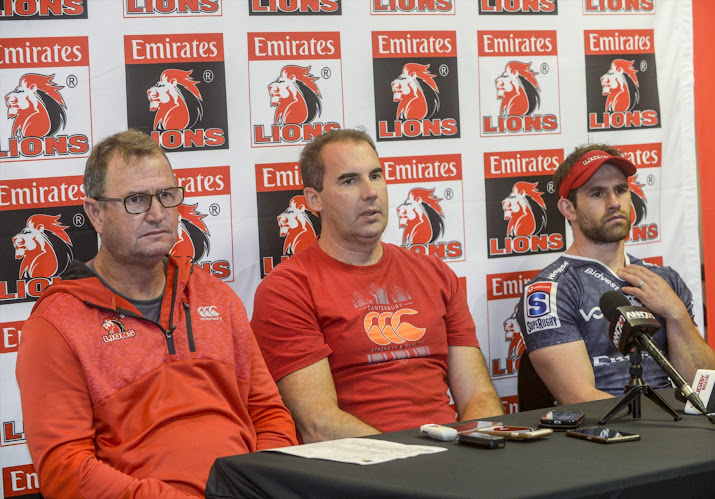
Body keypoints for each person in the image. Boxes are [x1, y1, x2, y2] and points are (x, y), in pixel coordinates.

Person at [15, 129, 297, 498]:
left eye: (166, 196)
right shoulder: (56, 323)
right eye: (136, 200)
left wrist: (261, 484)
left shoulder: (216, 295)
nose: (157, 214)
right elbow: (64, 469)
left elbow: (269, 415)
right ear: (96, 213)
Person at [251, 128, 503, 442]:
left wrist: (477, 447)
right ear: (314, 199)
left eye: (376, 175)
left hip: (451, 458)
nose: (371, 191)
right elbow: (317, 422)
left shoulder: (434, 272)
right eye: (349, 180)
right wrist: (410, 458)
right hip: (359, 469)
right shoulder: (287, 289)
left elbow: (478, 393)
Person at [516, 144, 715, 405]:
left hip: (677, 426)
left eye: (621, 190)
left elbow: (705, 383)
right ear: (568, 209)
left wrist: (675, 312)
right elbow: (578, 397)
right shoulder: (550, 289)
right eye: (598, 193)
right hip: (606, 434)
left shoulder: (664, 279)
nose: (614, 203)